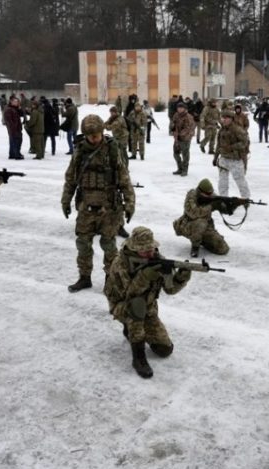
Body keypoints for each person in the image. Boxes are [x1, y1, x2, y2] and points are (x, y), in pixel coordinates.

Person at [103, 226, 192, 378]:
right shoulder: (120, 264)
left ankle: (130, 329)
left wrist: (181, 277)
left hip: (149, 309)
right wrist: (144, 277)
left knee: (164, 350)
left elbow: (170, 290)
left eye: (151, 249)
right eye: (145, 250)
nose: (150, 253)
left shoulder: (157, 259)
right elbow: (129, 294)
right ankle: (138, 357)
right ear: (134, 248)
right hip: (124, 306)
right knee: (137, 306)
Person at [61, 115, 135, 293]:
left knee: (109, 245)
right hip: (86, 206)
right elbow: (71, 178)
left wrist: (130, 202)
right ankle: (84, 277)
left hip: (108, 207)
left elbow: (125, 179)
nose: (95, 138)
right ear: (85, 135)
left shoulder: (112, 151)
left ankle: (111, 279)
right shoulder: (80, 151)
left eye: (97, 134)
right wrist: (66, 199)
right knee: (83, 243)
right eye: (91, 135)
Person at [173, 178, 241, 257]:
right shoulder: (191, 196)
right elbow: (194, 213)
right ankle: (195, 246)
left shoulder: (212, 196)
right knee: (201, 223)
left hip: (205, 228)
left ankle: (202, 240)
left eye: (210, 193)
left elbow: (225, 210)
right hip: (188, 226)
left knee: (223, 248)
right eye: (207, 194)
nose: (210, 195)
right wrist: (211, 206)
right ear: (200, 191)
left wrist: (234, 204)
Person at [214, 110, 250, 198]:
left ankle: (246, 198)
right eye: (223, 118)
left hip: (235, 160)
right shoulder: (222, 130)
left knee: (240, 180)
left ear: (231, 119)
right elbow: (218, 144)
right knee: (222, 181)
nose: (224, 120)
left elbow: (245, 143)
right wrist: (215, 157)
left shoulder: (237, 129)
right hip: (223, 159)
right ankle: (223, 198)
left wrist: (231, 147)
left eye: (227, 118)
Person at [170, 102, 196, 176]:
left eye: (181, 108)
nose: (179, 109)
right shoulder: (176, 115)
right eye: (178, 108)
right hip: (177, 138)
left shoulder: (188, 117)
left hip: (185, 138)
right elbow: (173, 123)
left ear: (185, 109)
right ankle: (180, 168)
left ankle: (185, 170)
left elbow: (188, 128)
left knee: (185, 155)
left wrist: (180, 134)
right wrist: (173, 129)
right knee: (176, 154)